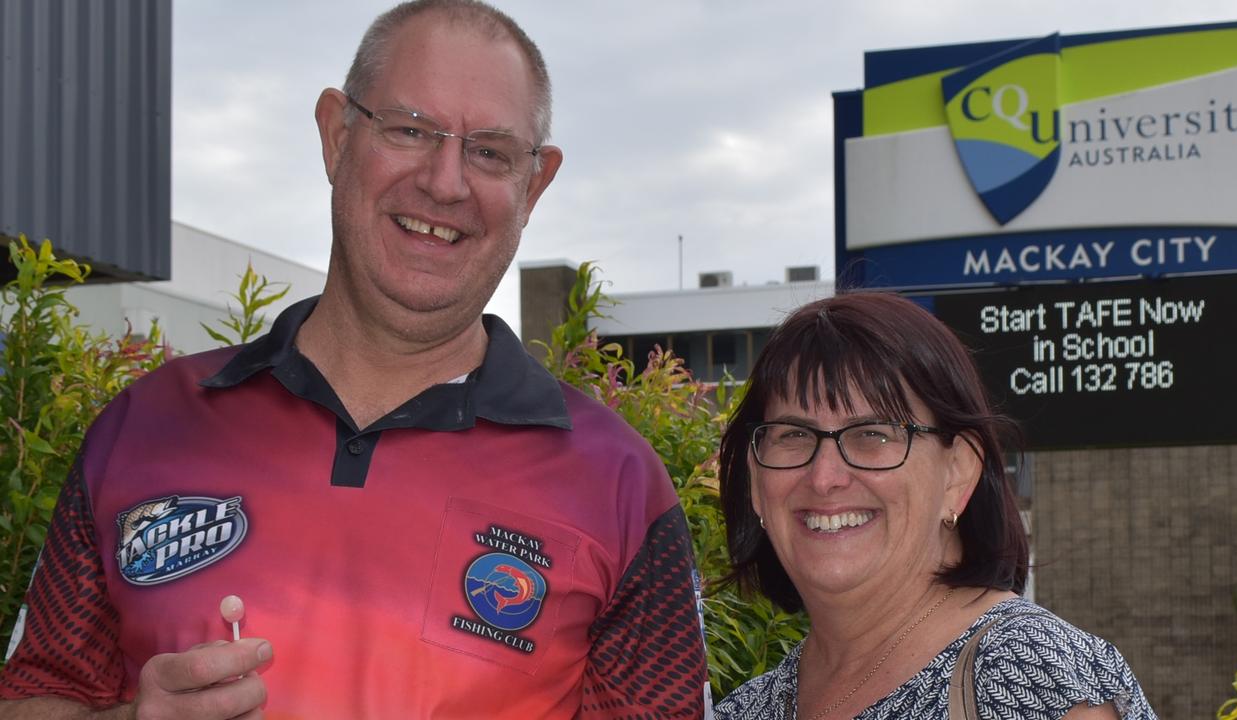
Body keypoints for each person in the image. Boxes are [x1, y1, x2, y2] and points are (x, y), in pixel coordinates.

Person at [0, 2, 707, 718]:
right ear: (337, 135)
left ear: (536, 183)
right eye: (410, 130)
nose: (446, 182)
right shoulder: (144, 428)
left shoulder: (617, 487)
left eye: (490, 151)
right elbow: (32, 694)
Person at [712, 292, 1156, 720]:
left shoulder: (1032, 679)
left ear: (958, 471)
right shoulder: (745, 709)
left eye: (873, 434)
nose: (825, 477)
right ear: (756, 478)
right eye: (794, 435)